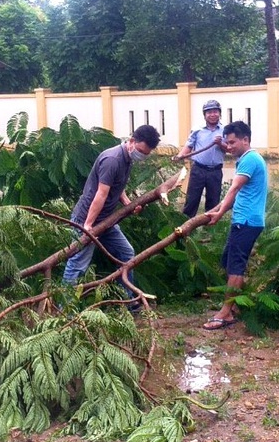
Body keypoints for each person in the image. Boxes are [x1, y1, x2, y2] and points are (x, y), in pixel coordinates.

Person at [62, 125, 161, 301]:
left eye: (145, 154)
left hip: (106, 221)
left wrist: (128, 204)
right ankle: (64, 310)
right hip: (87, 219)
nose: (141, 155)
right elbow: (101, 194)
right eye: (139, 151)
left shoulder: (127, 159)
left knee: (127, 254)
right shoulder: (112, 159)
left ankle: (128, 300)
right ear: (131, 141)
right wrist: (88, 226)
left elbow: (118, 187)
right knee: (78, 265)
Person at [202, 121, 267, 330]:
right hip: (243, 220)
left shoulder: (249, 159)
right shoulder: (247, 159)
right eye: (227, 143)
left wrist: (219, 213)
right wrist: (217, 209)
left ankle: (225, 313)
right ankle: (237, 305)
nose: (228, 147)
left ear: (245, 139)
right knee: (229, 262)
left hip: (247, 222)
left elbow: (234, 189)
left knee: (235, 268)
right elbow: (237, 196)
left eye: (232, 142)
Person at [175, 100, 228, 218]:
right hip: (198, 170)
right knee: (191, 201)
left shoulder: (225, 131)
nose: (212, 114)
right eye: (209, 112)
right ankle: (185, 229)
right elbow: (188, 146)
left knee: (213, 202)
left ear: (220, 114)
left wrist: (220, 143)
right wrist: (179, 156)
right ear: (204, 115)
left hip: (215, 171)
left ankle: (209, 231)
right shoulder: (197, 130)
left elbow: (229, 149)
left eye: (215, 111)